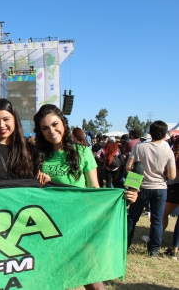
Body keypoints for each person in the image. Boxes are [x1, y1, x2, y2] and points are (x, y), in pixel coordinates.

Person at [33, 105, 137, 290]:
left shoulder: (82, 152)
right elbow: (31, 190)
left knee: (92, 279)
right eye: (45, 128)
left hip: (78, 224)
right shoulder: (38, 156)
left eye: (55, 124)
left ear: (64, 124)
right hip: (47, 226)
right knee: (49, 279)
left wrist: (123, 198)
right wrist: (39, 181)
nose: (51, 131)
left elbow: (94, 189)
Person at [126, 120, 176, 257]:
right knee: (157, 220)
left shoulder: (139, 147)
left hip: (141, 187)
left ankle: (126, 244)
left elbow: (128, 167)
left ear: (150, 133)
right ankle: (153, 250)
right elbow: (172, 175)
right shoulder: (168, 151)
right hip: (160, 188)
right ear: (165, 134)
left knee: (132, 218)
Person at [162, 136, 179, 259]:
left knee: (163, 214)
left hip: (175, 188)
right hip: (175, 187)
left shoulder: (173, 154)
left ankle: (156, 238)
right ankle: (174, 249)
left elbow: (170, 174)